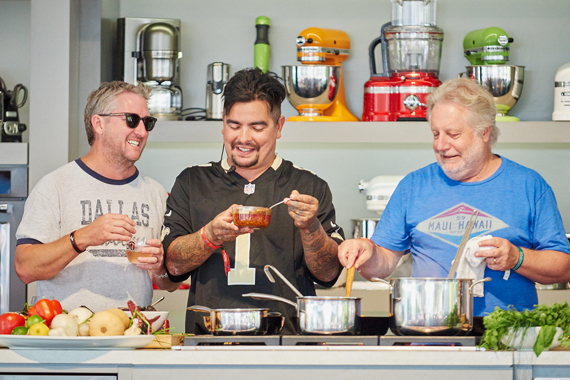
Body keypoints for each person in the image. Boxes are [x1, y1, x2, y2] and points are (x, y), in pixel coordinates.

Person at [338, 78, 570, 316]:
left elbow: (564, 268)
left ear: (485, 132)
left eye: (453, 134)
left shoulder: (529, 186)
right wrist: (365, 250)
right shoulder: (413, 185)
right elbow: (383, 263)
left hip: (507, 339)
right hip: (429, 335)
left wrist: (517, 258)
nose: (440, 145)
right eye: (435, 133)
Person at [162, 68, 344, 334]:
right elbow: (172, 265)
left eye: (257, 127)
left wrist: (311, 227)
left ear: (279, 126)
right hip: (209, 342)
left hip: (289, 344)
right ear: (223, 123)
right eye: (234, 125)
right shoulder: (192, 182)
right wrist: (208, 236)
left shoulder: (309, 187)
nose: (243, 138)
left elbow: (328, 275)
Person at [15, 81, 180, 312]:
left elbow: (168, 283)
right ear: (98, 124)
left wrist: (160, 266)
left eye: (147, 122)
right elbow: (25, 268)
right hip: (69, 338)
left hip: (133, 338)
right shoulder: (55, 186)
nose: (142, 132)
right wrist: (82, 238)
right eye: (131, 120)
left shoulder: (156, 193)